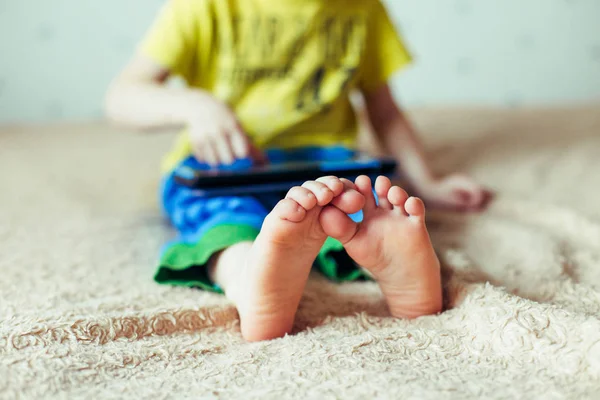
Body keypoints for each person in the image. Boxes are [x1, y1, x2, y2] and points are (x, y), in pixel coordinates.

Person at [105, 0, 491, 342]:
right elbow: (121, 97)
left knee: (358, 208)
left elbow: (385, 113)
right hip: (226, 165)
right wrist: (194, 106)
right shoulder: (203, 7)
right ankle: (249, 278)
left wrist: (427, 181)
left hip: (326, 165)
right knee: (227, 219)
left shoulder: (363, 8)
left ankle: (388, 265)